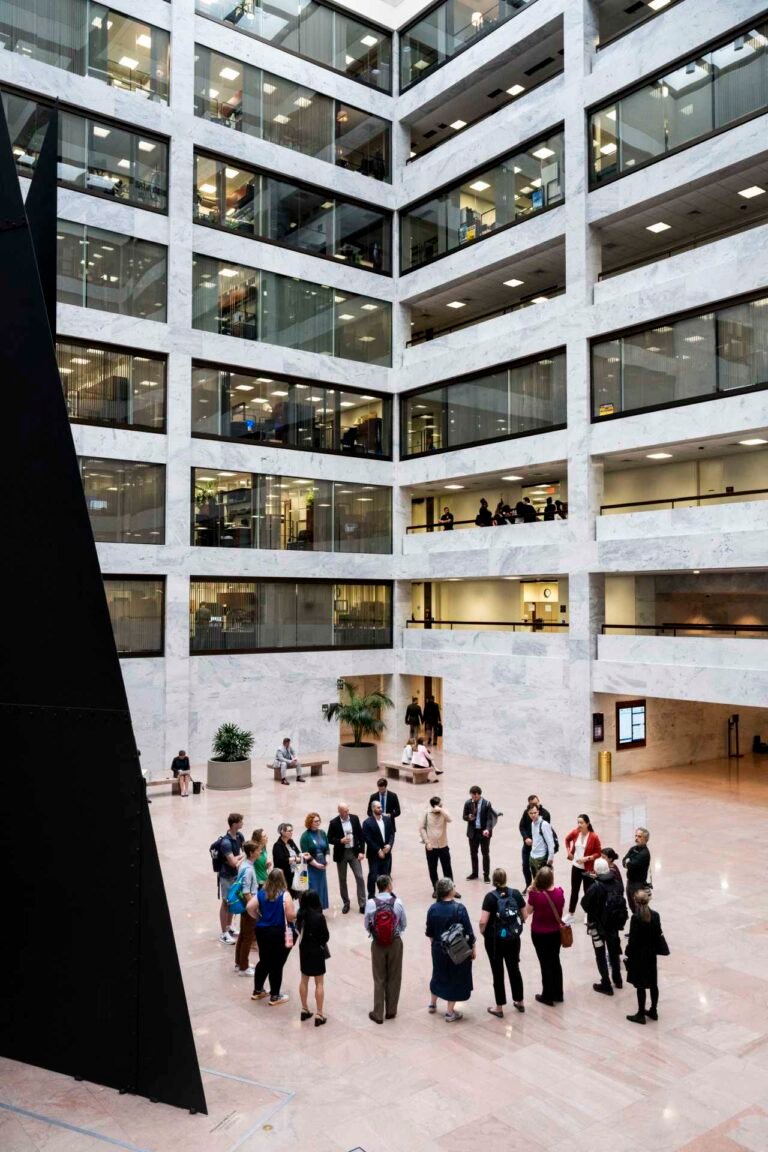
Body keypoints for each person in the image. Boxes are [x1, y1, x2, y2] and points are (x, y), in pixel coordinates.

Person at [480, 867, 528, 1017]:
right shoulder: (516, 894)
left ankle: (499, 1007)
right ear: (506, 878)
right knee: (514, 969)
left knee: (497, 972)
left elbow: (483, 921)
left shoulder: (490, 898)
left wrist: (483, 932)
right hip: (513, 939)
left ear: (494, 881)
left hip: (495, 941)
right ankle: (519, 1001)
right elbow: (525, 915)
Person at [425, 878, 475, 1022]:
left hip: (438, 948)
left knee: (437, 973)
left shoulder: (433, 908)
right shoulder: (460, 909)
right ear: (449, 891)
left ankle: (432, 1004)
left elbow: (430, 932)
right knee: (455, 977)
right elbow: (469, 933)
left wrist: (435, 946)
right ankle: (449, 1012)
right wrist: (472, 948)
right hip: (456, 949)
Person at [249, 868, 296, 1006]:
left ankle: (258, 990)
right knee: (277, 963)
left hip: (262, 931)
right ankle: (275, 995)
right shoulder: (285, 895)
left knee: (264, 961)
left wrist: (259, 918)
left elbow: (249, 907)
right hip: (278, 932)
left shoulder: (262, 893)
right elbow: (290, 916)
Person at [581, 857, 627, 995]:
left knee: (600, 954)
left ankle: (606, 984)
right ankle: (618, 980)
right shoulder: (617, 883)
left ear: (595, 871)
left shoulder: (596, 887)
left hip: (598, 926)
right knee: (614, 952)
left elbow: (585, 904)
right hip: (613, 925)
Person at [365, 873, 406, 1024]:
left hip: (377, 944)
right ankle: (391, 1011)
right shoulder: (398, 902)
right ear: (389, 886)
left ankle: (377, 1013)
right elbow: (404, 924)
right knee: (394, 976)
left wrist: (377, 934)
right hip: (395, 942)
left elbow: (366, 925)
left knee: (379, 978)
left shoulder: (371, 903)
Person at [625, 889, 667, 1024]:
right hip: (651, 954)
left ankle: (641, 1014)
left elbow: (633, 940)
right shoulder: (656, 915)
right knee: (653, 984)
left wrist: (628, 953)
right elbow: (658, 933)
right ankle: (653, 1010)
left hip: (639, 956)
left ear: (636, 902)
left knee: (640, 986)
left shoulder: (636, 918)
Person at [527, 865, 565, 1006]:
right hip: (556, 932)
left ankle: (547, 995)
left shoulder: (536, 896)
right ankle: (558, 993)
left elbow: (528, 911)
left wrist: (531, 892)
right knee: (555, 961)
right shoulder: (560, 892)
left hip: (540, 933)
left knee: (545, 964)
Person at [296, 889, 330, 1026]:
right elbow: (326, 936)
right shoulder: (319, 917)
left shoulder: (300, 915)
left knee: (304, 980)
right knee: (319, 983)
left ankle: (304, 1009)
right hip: (317, 950)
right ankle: (319, 1014)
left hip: (304, 949)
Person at [327, 802, 366, 914]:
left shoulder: (354, 818)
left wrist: (361, 851)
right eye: (344, 811)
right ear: (339, 811)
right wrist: (340, 841)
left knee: (359, 877)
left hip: (354, 852)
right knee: (342, 879)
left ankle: (362, 904)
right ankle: (346, 902)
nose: (347, 813)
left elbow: (361, 835)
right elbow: (329, 838)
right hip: (342, 853)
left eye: (348, 810)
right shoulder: (334, 822)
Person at [564, 814, 602, 920]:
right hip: (576, 866)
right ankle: (571, 913)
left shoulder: (594, 836)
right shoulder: (575, 832)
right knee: (574, 891)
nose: (579, 825)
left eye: (581, 822)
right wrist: (568, 851)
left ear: (587, 823)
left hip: (588, 868)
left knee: (588, 891)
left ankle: (588, 913)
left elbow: (598, 852)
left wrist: (587, 858)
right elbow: (567, 839)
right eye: (578, 822)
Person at [419, 796, 456, 897]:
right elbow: (422, 828)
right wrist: (427, 842)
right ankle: (436, 889)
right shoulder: (426, 813)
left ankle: (451, 889)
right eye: (440, 805)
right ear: (434, 806)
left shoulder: (443, 811)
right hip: (431, 846)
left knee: (447, 868)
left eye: (441, 805)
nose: (441, 806)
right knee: (433, 868)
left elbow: (450, 819)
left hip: (443, 845)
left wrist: (441, 810)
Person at [217, 813, 244, 944]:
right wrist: (241, 856)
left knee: (232, 901)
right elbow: (233, 862)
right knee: (226, 902)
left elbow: (239, 855)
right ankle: (224, 933)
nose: (242, 823)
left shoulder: (240, 836)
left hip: (235, 874)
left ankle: (229, 927)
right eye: (240, 821)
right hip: (226, 876)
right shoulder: (226, 842)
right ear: (234, 824)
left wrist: (237, 857)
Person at [234, 841, 260, 976]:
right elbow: (246, 892)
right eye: (257, 850)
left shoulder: (244, 864)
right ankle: (243, 968)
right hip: (248, 906)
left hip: (244, 906)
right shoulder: (249, 869)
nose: (260, 852)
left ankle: (239, 963)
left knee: (243, 934)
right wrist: (253, 908)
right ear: (251, 853)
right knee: (248, 937)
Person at [463, 785, 497, 882]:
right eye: (471, 796)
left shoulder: (487, 804)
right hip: (473, 832)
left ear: (478, 794)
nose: (472, 798)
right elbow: (464, 816)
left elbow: (489, 819)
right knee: (473, 853)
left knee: (485, 853)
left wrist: (487, 829)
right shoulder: (468, 803)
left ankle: (486, 875)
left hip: (483, 833)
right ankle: (474, 873)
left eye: (474, 796)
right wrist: (468, 817)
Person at [362, 800, 395, 897]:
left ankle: (386, 895)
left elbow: (392, 834)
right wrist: (378, 850)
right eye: (378, 807)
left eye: (381, 807)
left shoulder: (387, 819)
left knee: (386, 875)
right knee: (373, 876)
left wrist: (389, 845)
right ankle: (371, 896)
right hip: (374, 854)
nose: (381, 809)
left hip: (387, 852)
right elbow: (368, 839)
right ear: (373, 809)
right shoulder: (367, 823)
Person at [519, 793, 552, 889]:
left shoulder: (545, 814)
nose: (533, 814)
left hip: (539, 848)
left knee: (540, 872)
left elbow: (548, 837)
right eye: (532, 804)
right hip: (528, 846)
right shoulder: (526, 813)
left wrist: (550, 855)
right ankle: (529, 885)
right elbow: (521, 826)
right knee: (525, 866)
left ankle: (538, 888)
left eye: (536, 803)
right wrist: (526, 838)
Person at [300, 813, 329, 910]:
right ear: (310, 822)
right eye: (315, 821)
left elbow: (327, 849)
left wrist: (327, 860)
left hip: (322, 866)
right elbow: (306, 854)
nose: (318, 823)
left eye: (319, 820)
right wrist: (316, 864)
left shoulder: (322, 833)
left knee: (321, 887)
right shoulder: (305, 836)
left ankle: (320, 909)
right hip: (311, 867)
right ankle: (312, 910)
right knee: (313, 888)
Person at [622, 828, 651, 917]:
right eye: (636, 836)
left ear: (646, 839)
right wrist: (627, 863)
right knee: (632, 906)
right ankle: (636, 920)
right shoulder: (633, 849)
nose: (636, 838)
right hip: (630, 882)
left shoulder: (644, 854)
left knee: (639, 907)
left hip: (638, 884)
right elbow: (624, 861)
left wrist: (628, 862)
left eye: (639, 836)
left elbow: (631, 865)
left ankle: (641, 922)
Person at [273, 822, 301, 895]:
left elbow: (298, 853)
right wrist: (295, 858)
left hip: (294, 873)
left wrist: (302, 856)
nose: (291, 832)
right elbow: (281, 861)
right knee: (286, 895)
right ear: (282, 832)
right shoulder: (277, 845)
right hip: (284, 876)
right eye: (289, 831)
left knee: (295, 894)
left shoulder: (291, 841)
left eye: (292, 830)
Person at [528, 803, 555, 877]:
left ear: (538, 812)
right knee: (535, 880)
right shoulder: (532, 823)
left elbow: (550, 842)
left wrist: (550, 857)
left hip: (541, 858)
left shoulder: (544, 824)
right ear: (528, 813)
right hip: (532, 857)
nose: (533, 815)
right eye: (531, 813)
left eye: (535, 813)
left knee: (542, 881)